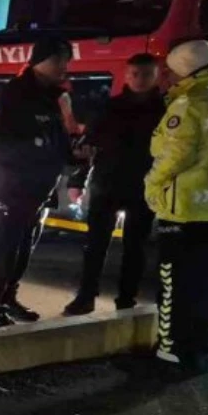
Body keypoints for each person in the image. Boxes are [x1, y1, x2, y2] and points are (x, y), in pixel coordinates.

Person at [144, 38, 208, 376]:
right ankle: (198, 351)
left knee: (173, 283)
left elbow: (174, 155)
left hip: (184, 207)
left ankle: (172, 354)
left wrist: (152, 185)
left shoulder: (189, 103)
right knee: (203, 281)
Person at [0, 36, 75, 330]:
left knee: (22, 250)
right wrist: (36, 149)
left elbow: (55, 140)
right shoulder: (10, 95)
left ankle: (7, 300)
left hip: (37, 191)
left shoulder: (52, 96)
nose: (64, 67)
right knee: (0, 252)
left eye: (66, 60)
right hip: (8, 189)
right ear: (39, 61)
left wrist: (72, 154)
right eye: (58, 60)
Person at [63, 53, 166, 315]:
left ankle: (126, 299)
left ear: (157, 76)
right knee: (95, 244)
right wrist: (78, 179)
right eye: (134, 74)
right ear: (126, 75)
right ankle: (86, 296)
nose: (139, 80)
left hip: (145, 187)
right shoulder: (109, 107)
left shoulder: (165, 109)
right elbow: (88, 145)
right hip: (107, 183)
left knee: (136, 247)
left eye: (145, 74)